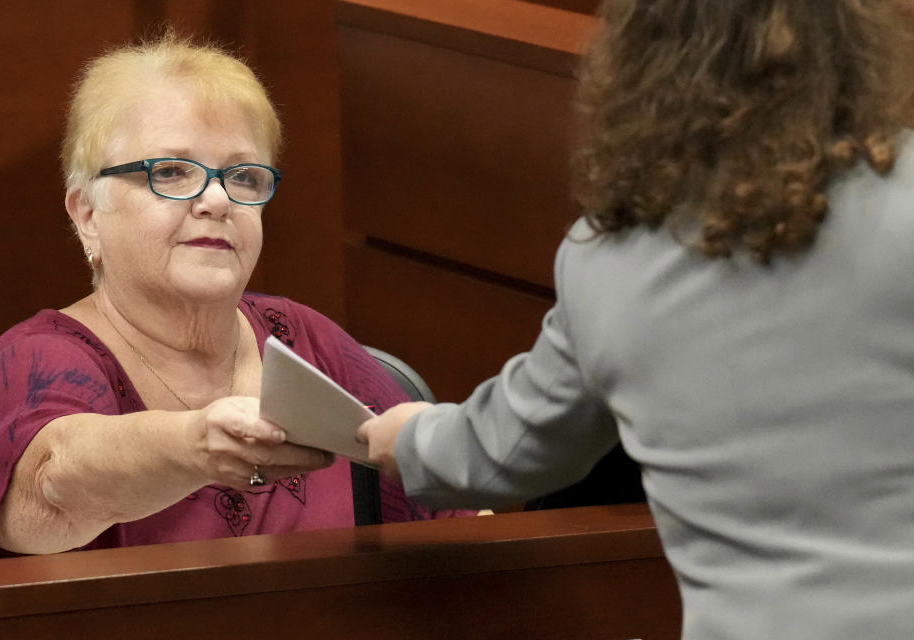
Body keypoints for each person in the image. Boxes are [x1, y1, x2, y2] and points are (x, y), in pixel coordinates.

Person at [358, 1, 914, 637]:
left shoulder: (608, 264)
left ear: (640, 63)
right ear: (851, 38)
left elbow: (503, 451)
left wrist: (403, 437)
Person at [0, 33, 467, 563]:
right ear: (87, 213)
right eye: (171, 172)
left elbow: (456, 523)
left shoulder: (302, 336)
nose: (218, 200)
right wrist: (194, 446)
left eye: (243, 177)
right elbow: (53, 484)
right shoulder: (34, 360)